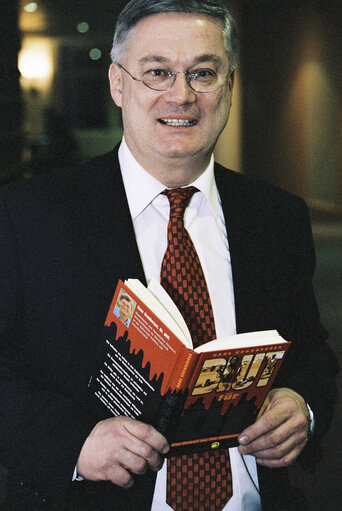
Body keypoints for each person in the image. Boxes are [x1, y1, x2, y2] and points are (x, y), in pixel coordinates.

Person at [0, 1, 338, 510]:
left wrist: (302, 406)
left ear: (229, 84)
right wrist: (72, 443)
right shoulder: (27, 216)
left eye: (203, 73)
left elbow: (310, 352)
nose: (182, 95)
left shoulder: (278, 218)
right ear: (118, 84)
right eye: (157, 72)